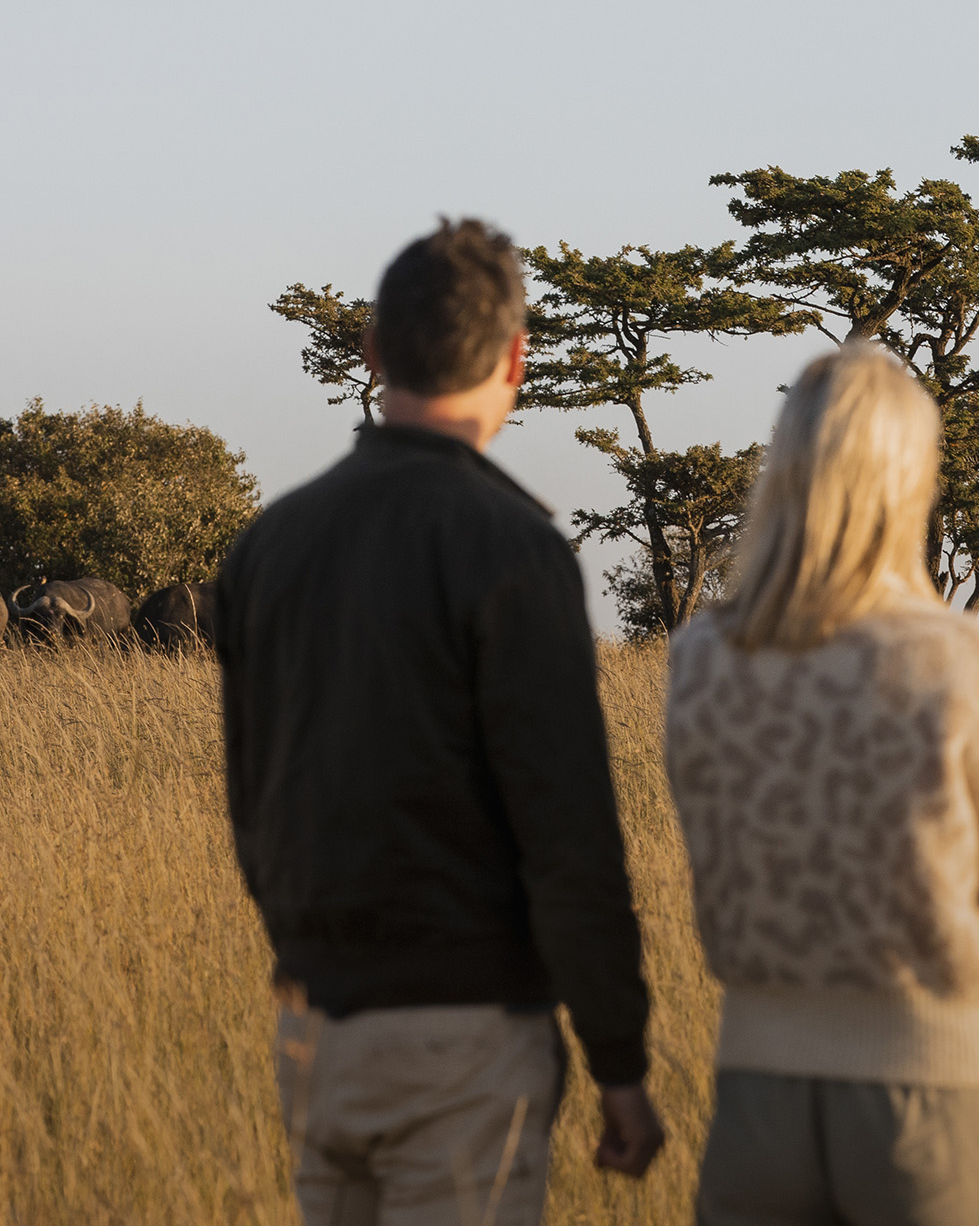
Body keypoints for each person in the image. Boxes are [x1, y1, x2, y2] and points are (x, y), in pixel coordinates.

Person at [217, 218, 665, 1226]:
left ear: (373, 348)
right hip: (464, 1035)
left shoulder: (268, 544)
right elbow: (568, 837)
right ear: (516, 358)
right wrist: (619, 1060)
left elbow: (252, 803)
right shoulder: (513, 546)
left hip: (314, 1030)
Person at [664, 345, 979, 1226]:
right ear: (910, 474)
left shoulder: (700, 657)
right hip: (943, 1080)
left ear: (783, 469)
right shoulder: (963, 657)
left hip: (756, 1094)